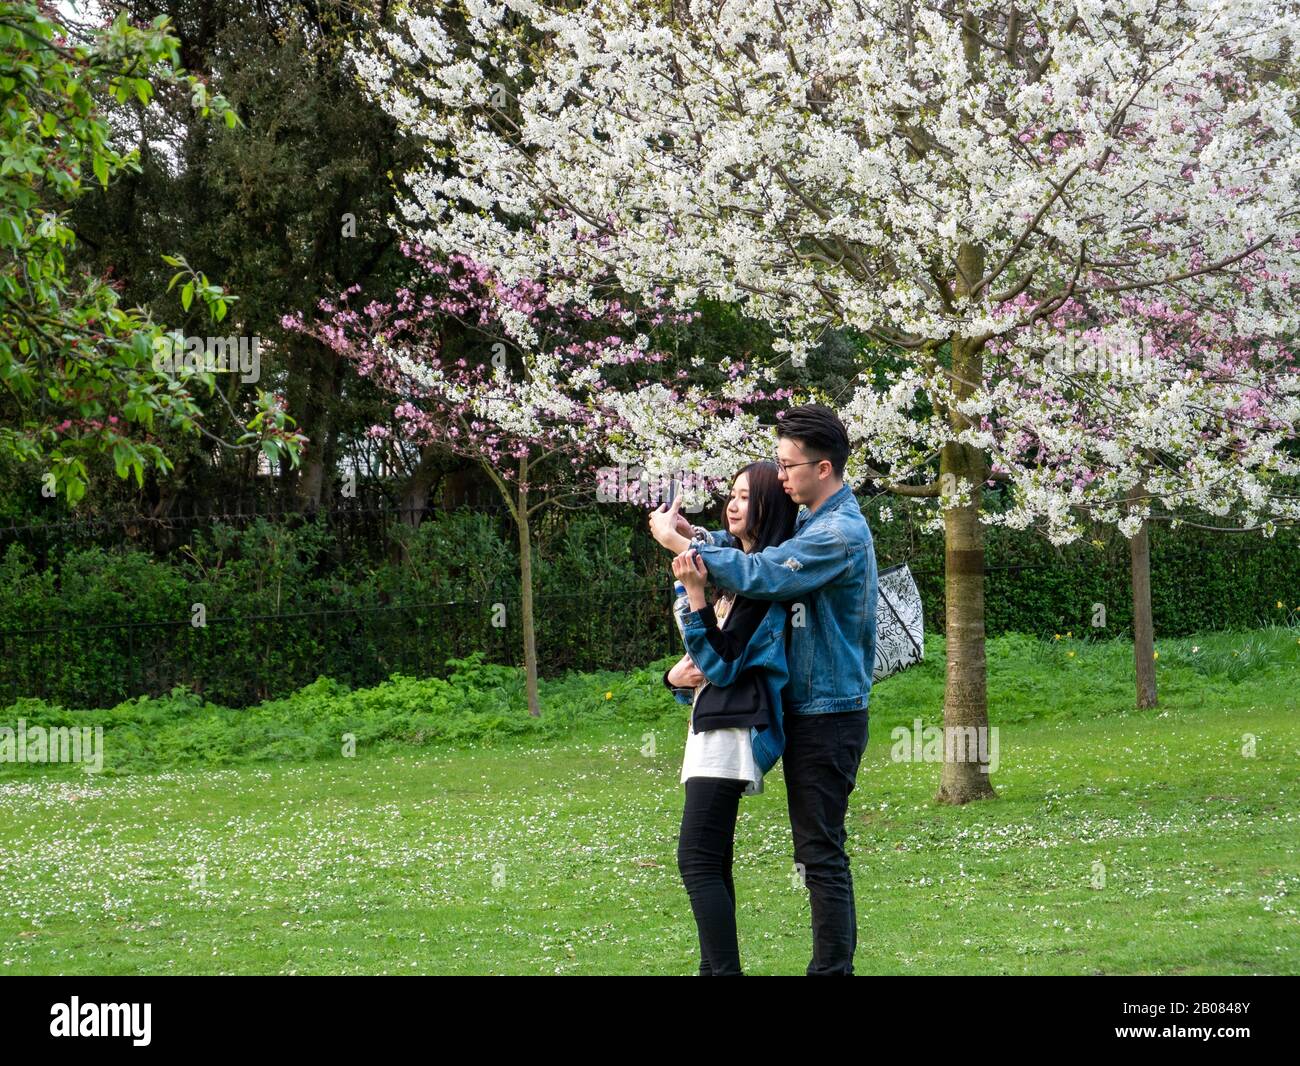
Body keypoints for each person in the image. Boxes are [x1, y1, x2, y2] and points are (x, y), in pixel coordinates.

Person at [650, 404, 878, 976]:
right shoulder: (807, 523)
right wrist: (693, 537)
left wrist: (682, 552)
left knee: (819, 853)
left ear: (823, 468)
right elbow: (762, 546)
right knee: (794, 850)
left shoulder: (838, 534)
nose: (780, 476)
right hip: (795, 708)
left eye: (787, 465)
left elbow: (767, 573)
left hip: (829, 715)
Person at [661, 461, 797, 976]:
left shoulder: (761, 587)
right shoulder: (738, 580)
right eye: (731, 495)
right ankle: (713, 969)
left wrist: (695, 593)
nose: (732, 505)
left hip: (731, 733)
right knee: (712, 861)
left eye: (744, 497)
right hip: (712, 726)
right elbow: (698, 660)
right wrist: (687, 583)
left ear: (767, 506)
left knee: (694, 859)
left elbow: (721, 663)